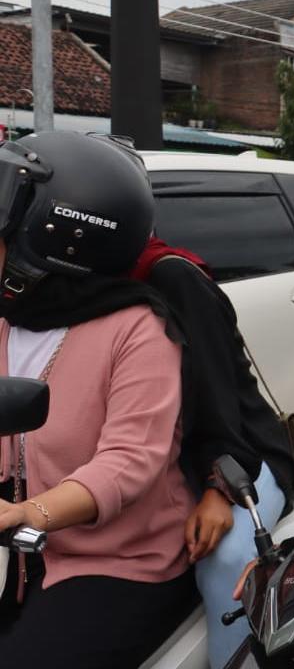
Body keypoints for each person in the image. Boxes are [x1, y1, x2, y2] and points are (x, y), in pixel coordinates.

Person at [0, 131, 196, 666]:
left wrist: (27, 511)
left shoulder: (138, 328)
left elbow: (130, 460)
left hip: (121, 562)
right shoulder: (11, 321)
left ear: (57, 237)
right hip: (28, 559)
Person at [130, 238, 294, 669]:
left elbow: (218, 394)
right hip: (159, 462)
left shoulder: (169, 275)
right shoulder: (62, 291)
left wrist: (219, 489)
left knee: (226, 562)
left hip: (243, 452)